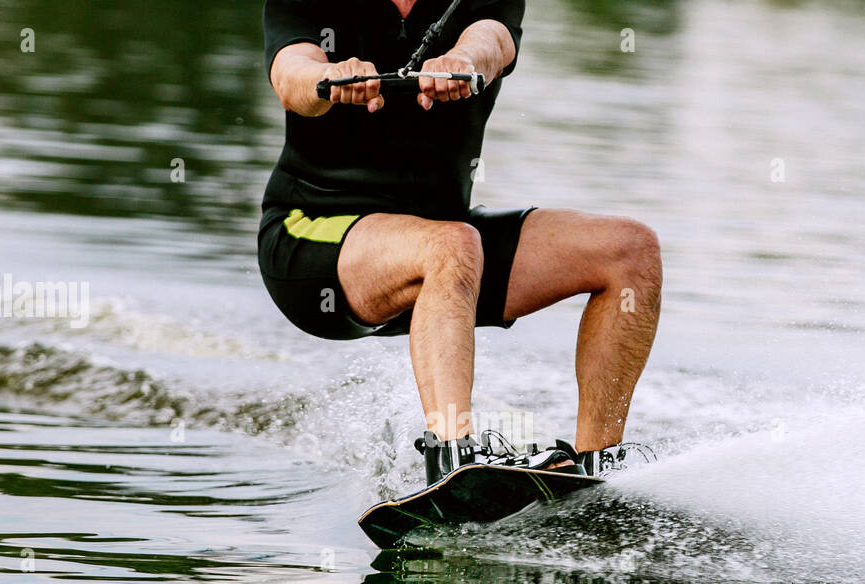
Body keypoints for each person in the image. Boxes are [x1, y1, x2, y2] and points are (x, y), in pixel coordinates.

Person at [259, 0, 662, 482]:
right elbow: (291, 76)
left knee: (630, 250)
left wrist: (465, 62)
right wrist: (327, 79)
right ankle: (452, 456)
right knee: (452, 246)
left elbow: (491, 41)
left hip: (446, 246)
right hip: (314, 236)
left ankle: (600, 467)